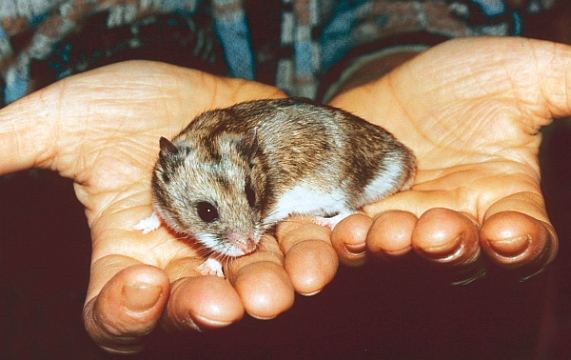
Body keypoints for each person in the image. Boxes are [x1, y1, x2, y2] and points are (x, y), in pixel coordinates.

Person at [0, 0, 565, 355]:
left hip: (345, 135)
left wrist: (399, 50)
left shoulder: (248, 167)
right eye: (204, 215)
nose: (247, 240)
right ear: (164, 175)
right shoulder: (175, 176)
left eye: (246, 203)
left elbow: (245, 210)